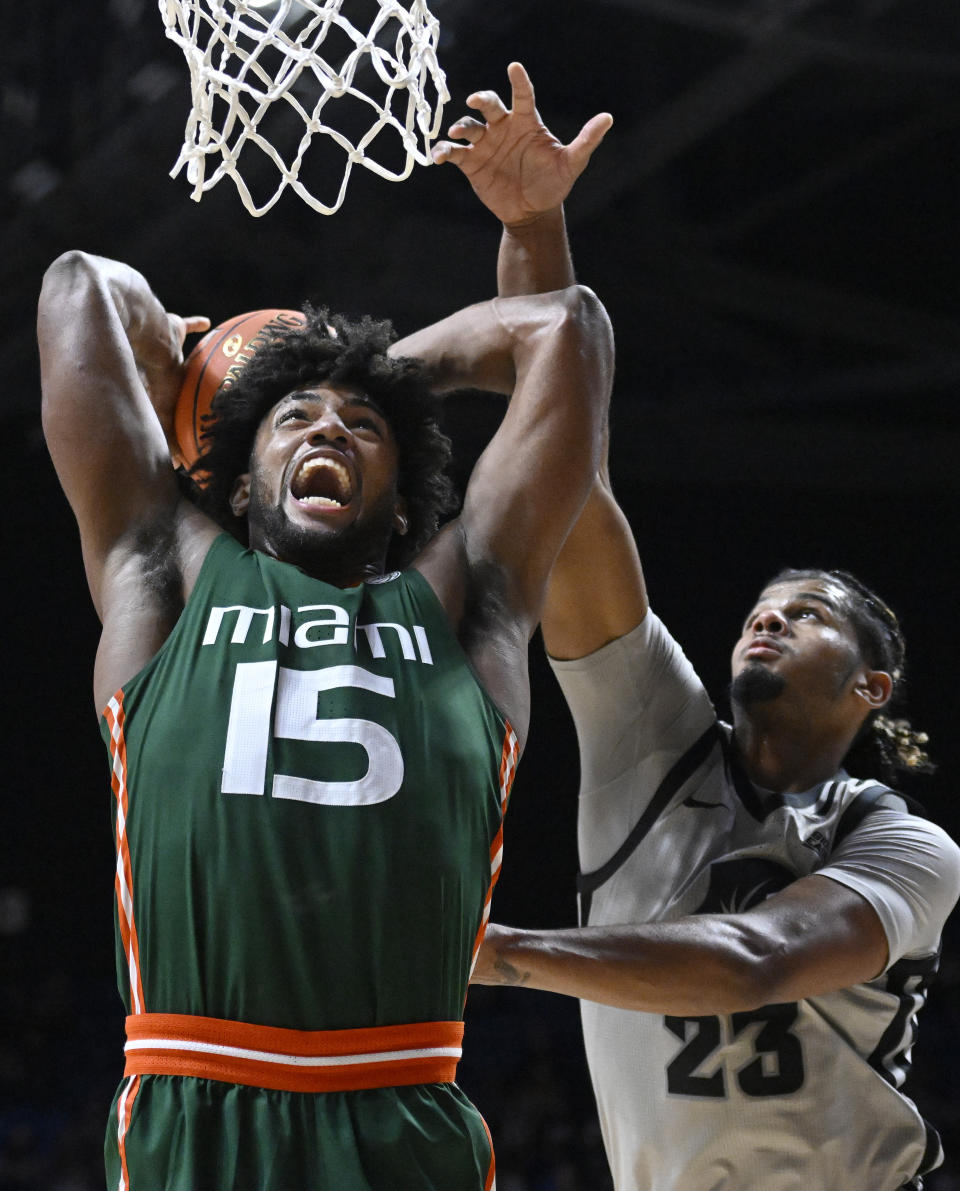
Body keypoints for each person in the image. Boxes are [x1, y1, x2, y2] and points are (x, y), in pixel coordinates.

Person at [36, 66, 614, 1189]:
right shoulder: (167, 577)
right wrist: (176, 359)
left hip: (401, 1110)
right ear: (236, 484)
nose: (329, 432)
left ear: (404, 500)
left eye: (362, 429)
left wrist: (369, 369)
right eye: (293, 419)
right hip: (193, 1108)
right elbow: (80, 286)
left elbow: (567, 329)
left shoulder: (466, 603)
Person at [457, 73, 960, 1191]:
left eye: (812, 612)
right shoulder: (652, 736)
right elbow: (567, 484)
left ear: (874, 687)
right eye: (763, 605)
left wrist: (499, 957)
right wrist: (535, 227)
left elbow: (756, 958)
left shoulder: (906, 848)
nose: (771, 615)